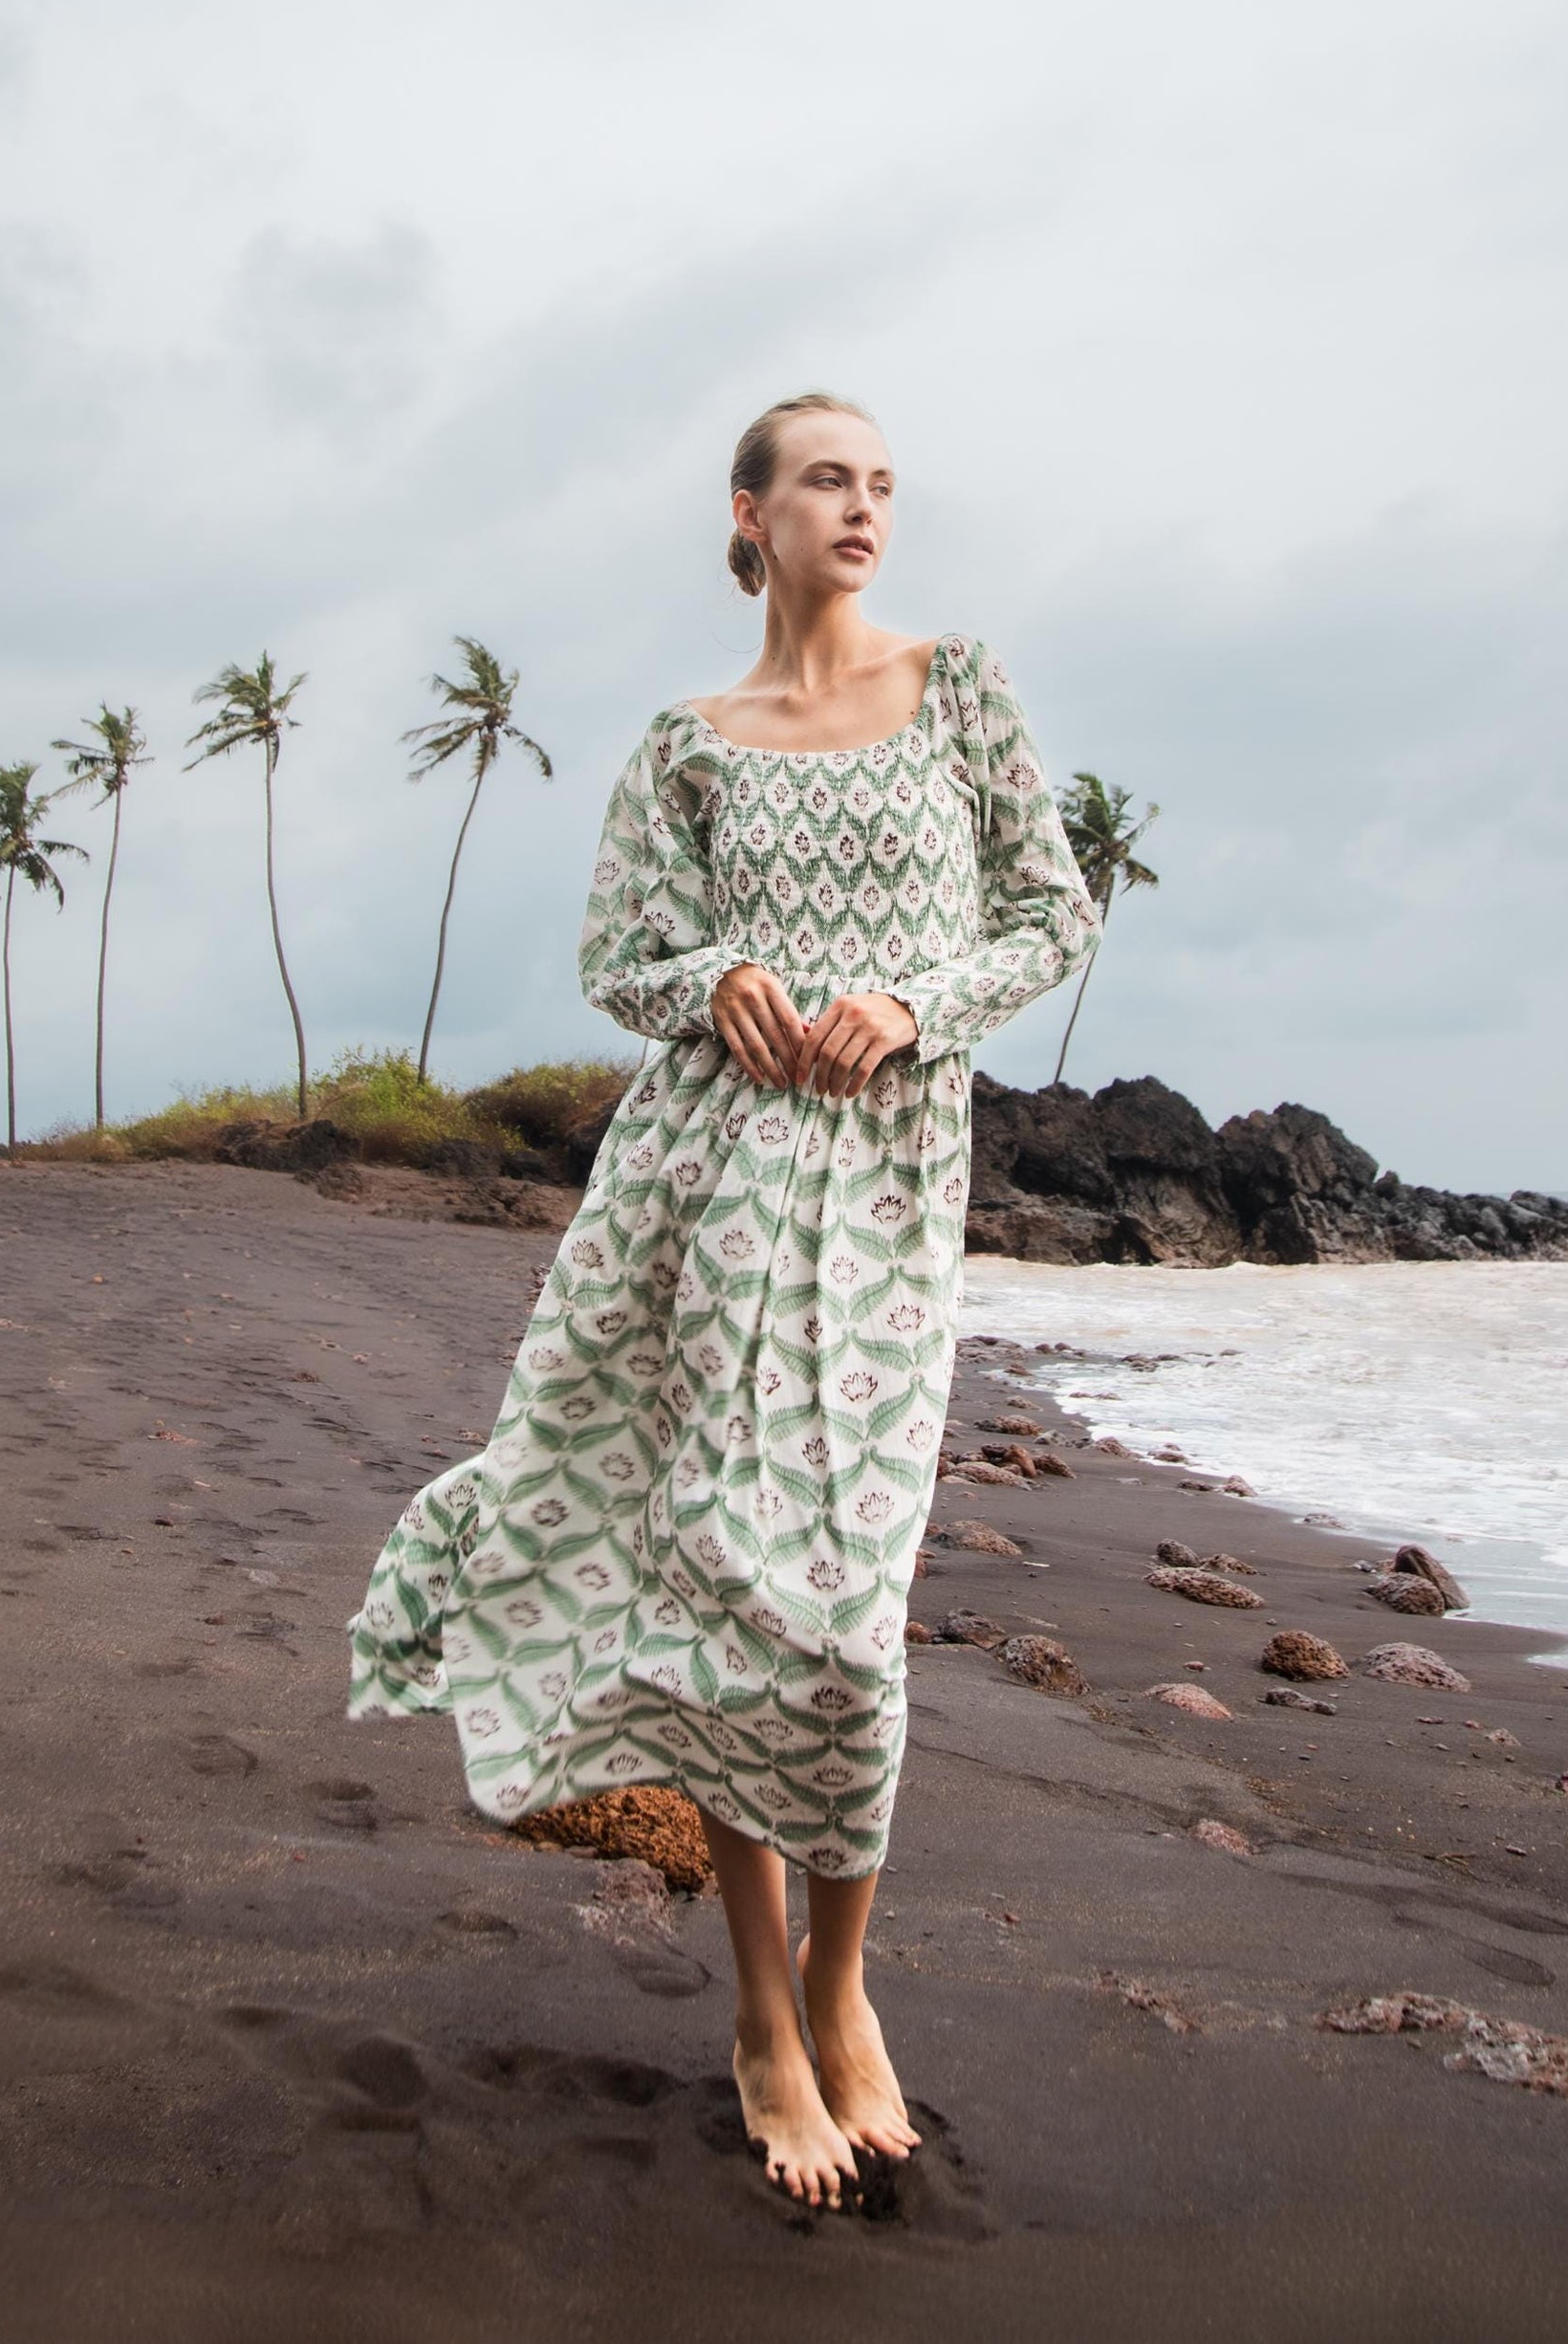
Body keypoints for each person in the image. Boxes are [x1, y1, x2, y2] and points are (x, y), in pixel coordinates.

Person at [346, 391, 1100, 2207]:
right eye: (827, 477)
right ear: (747, 515)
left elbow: (1050, 915)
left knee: (845, 1609)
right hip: (705, 1193)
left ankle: (846, 1992)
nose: (865, 506)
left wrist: (917, 1004)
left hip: (887, 1190)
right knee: (734, 1588)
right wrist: (727, 973)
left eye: (884, 482)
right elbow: (620, 951)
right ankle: (766, 2012)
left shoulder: (964, 691)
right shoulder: (687, 742)